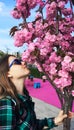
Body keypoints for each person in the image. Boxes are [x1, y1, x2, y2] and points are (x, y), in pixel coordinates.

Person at [0, 54, 67, 130]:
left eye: (21, 60)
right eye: (16, 62)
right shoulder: (7, 102)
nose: (23, 62)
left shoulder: (25, 97)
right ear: (8, 73)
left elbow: (34, 125)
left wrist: (55, 121)